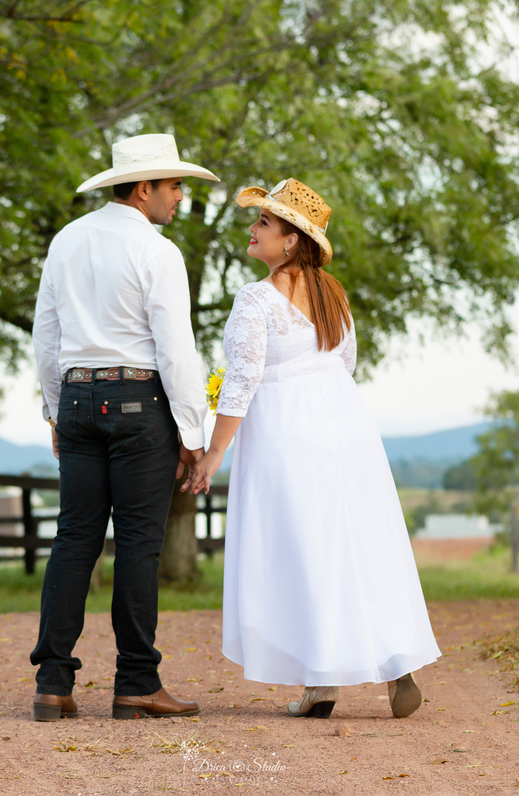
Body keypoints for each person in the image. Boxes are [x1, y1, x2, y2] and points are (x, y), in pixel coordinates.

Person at [183, 178, 441, 719]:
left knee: (304, 546)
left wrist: (214, 452)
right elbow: (343, 364)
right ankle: (394, 666)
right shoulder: (334, 294)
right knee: (357, 540)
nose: (252, 230)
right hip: (345, 425)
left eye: (264, 223)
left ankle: (319, 681)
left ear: (292, 240)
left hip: (287, 430)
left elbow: (243, 380)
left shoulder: (257, 298)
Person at [29, 134, 216, 721]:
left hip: (79, 396)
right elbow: (175, 349)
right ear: (144, 189)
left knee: (74, 538)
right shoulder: (157, 251)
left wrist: (56, 410)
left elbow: (47, 337)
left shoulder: (67, 240)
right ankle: (136, 682)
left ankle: (53, 684)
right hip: (138, 401)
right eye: (174, 186)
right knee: (138, 544)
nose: (181, 197)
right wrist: (193, 433)